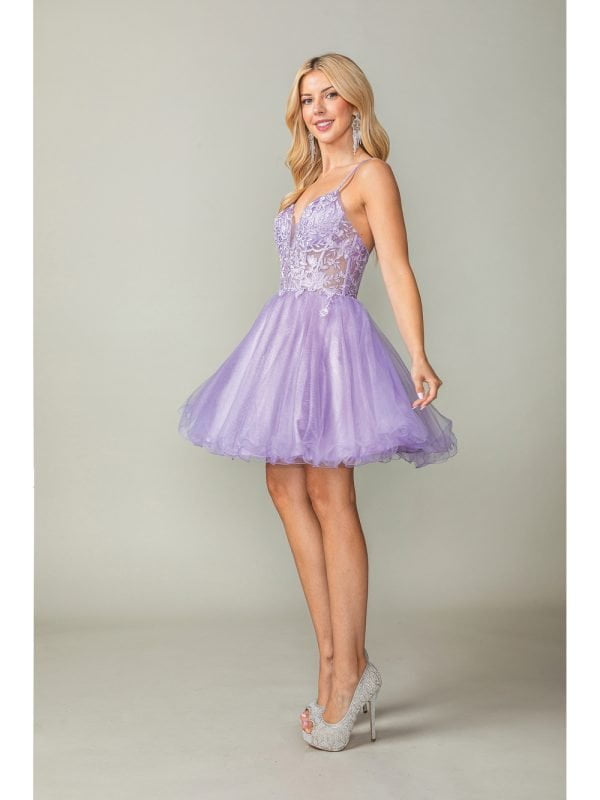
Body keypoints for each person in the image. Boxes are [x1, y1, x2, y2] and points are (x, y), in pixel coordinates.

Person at [177, 52, 458, 751]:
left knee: (333, 495)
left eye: (332, 95)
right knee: (283, 486)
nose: (320, 108)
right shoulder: (305, 183)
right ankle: (334, 659)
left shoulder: (371, 175)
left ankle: (348, 671)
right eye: (308, 99)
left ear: (355, 103)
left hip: (333, 343)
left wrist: (419, 354)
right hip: (283, 342)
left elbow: (396, 267)